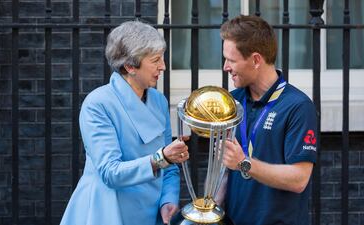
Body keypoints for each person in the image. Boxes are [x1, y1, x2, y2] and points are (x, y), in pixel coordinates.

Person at [60, 20, 189, 225]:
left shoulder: (159, 101)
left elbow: (170, 166)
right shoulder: (98, 104)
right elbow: (110, 172)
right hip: (107, 211)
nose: (163, 66)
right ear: (130, 66)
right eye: (155, 60)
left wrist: (168, 199)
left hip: (151, 212)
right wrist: (161, 157)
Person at [220, 15, 318, 225]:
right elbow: (226, 169)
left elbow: (299, 179)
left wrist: (244, 163)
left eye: (231, 60)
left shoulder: (298, 106)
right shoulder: (232, 101)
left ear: (256, 60)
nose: (225, 67)